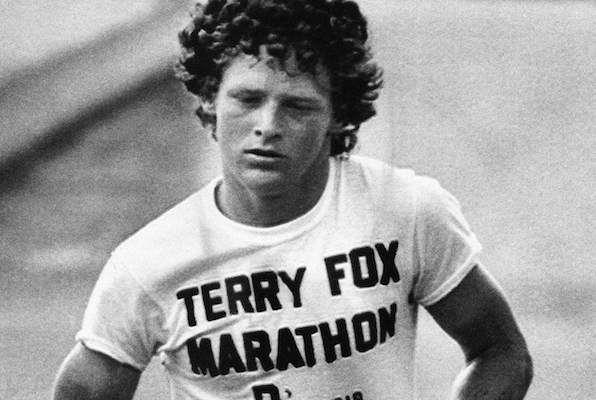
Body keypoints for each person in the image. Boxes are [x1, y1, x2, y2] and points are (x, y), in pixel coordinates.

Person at [52, 0, 533, 399]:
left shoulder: (404, 211)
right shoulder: (148, 263)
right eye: (246, 99)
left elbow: (500, 351)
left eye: (298, 106)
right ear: (208, 104)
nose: (268, 125)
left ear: (338, 117)